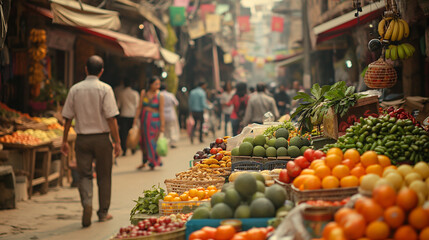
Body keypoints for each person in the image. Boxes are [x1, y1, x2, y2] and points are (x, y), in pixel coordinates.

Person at [61, 55, 121, 227]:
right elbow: (111, 119)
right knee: (104, 176)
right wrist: (117, 142)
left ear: (85, 69)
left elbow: (67, 119)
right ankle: (103, 213)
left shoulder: (75, 89)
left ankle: (87, 203)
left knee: (84, 175)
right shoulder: (105, 89)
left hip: (82, 139)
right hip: (102, 138)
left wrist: (64, 141)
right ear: (101, 71)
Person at [133, 76, 165, 170]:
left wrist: (162, 125)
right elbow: (139, 107)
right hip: (145, 120)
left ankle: (153, 160)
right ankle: (146, 160)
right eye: (156, 84)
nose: (158, 86)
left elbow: (161, 111)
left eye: (159, 84)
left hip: (155, 121)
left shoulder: (160, 96)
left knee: (153, 141)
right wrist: (136, 119)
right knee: (144, 141)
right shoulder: (144, 93)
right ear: (150, 84)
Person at [117, 78, 139, 156]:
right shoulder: (135, 93)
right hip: (133, 115)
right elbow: (137, 106)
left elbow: (118, 105)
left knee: (124, 133)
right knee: (133, 132)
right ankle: (133, 148)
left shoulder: (121, 93)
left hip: (124, 115)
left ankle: (124, 149)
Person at [160, 84, 180, 148]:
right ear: (166, 88)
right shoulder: (170, 95)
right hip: (171, 114)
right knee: (171, 128)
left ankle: (165, 142)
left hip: (162, 114)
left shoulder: (159, 95)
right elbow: (176, 103)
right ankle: (172, 143)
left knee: (164, 129)